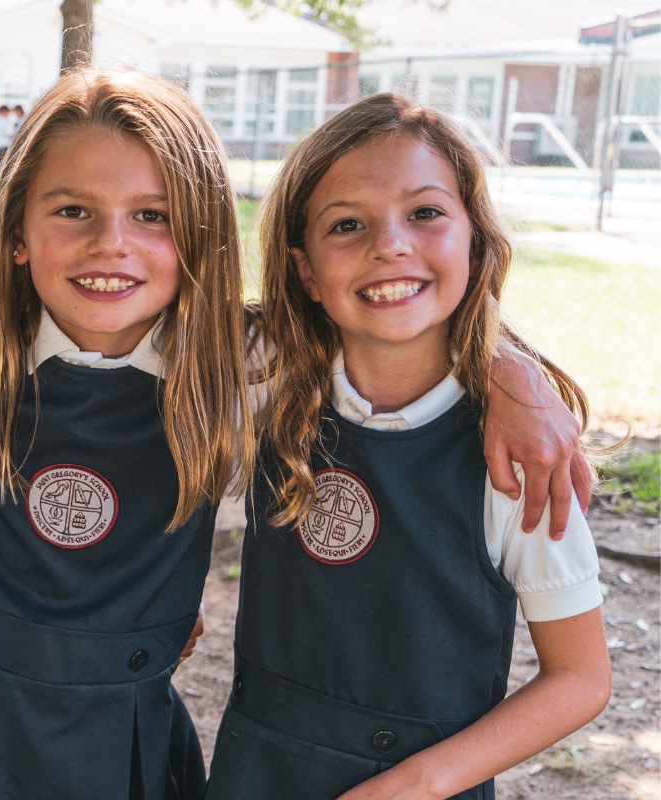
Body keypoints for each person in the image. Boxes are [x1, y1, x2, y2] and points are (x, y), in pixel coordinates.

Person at [0, 72, 590, 800]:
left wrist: (519, 377)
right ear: (19, 228)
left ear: (200, 234)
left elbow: (392, 310)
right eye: (72, 210)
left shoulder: (236, 364)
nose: (111, 244)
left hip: (126, 745)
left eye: (152, 216)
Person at [204, 93, 611, 800]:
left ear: (475, 240)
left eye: (424, 213)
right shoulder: (267, 375)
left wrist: (423, 783)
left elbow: (582, 678)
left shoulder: (519, 452)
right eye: (347, 224)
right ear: (305, 272)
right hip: (257, 771)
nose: (389, 243)